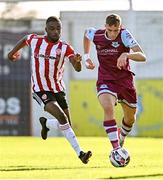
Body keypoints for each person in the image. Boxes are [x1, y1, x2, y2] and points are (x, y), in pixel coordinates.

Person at [8, 16, 92, 164]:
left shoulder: (65, 47)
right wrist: (12, 53)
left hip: (58, 89)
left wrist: (78, 63)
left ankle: (46, 124)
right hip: (40, 89)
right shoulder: (36, 40)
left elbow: (77, 68)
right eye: (52, 28)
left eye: (58, 28)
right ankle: (81, 154)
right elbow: (25, 39)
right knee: (62, 118)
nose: (55, 31)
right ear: (46, 30)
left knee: (67, 125)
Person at [83, 14, 146, 155]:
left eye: (116, 30)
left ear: (120, 27)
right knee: (108, 107)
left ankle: (121, 137)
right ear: (105, 27)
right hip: (106, 79)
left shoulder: (124, 35)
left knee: (130, 118)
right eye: (110, 30)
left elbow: (142, 56)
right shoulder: (97, 34)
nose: (113, 34)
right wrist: (86, 57)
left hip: (124, 80)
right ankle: (116, 149)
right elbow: (87, 34)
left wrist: (126, 55)